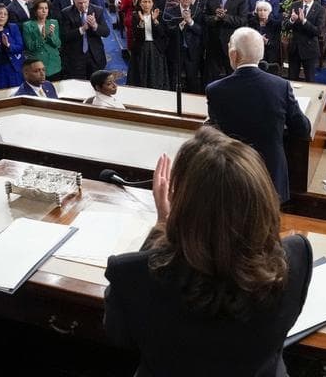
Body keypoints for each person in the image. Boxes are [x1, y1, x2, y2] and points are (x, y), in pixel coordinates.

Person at [104, 126, 312, 377]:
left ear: (182, 203)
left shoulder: (131, 274)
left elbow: (120, 336)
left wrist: (162, 225)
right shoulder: (298, 255)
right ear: (263, 198)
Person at [205, 28, 311, 203]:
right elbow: (302, 129)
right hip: (270, 178)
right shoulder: (281, 86)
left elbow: (215, 131)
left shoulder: (215, 90)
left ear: (233, 54)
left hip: (231, 176)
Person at [61, 0, 110, 79]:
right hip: (76, 57)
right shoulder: (66, 13)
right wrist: (82, 29)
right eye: (80, 3)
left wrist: (95, 26)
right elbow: (65, 36)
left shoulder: (97, 10)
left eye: (85, 2)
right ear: (74, 0)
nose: (83, 6)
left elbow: (106, 33)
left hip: (95, 56)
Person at [21, 0, 62, 80]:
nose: (44, 11)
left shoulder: (54, 22)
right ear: (35, 11)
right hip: (37, 66)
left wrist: (51, 35)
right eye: (41, 8)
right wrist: (42, 37)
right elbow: (30, 46)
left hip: (54, 65)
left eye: (46, 8)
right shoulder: (27, 25)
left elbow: (58, 44)